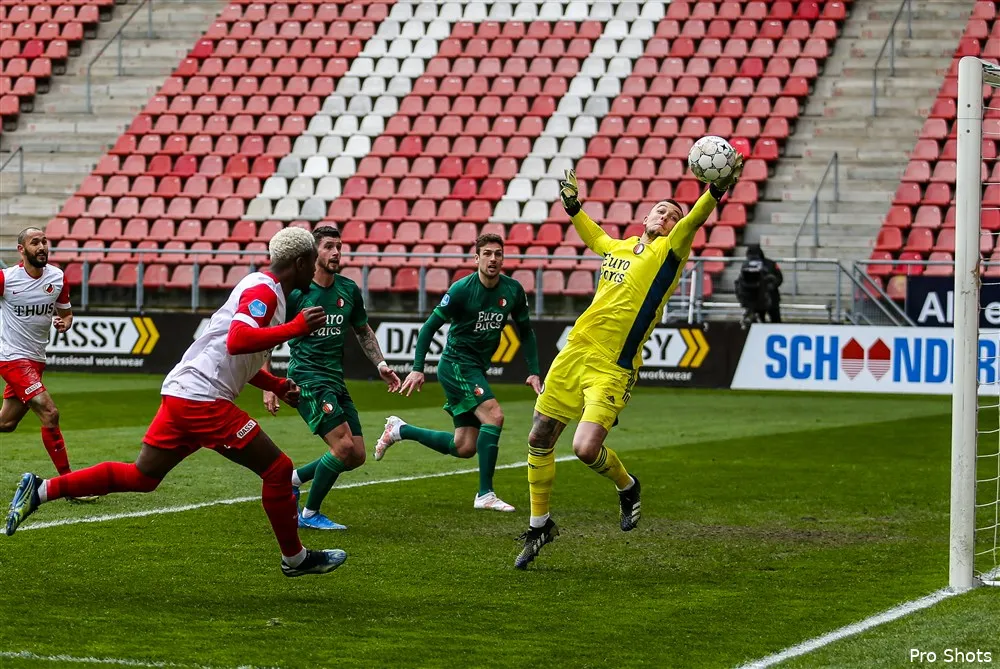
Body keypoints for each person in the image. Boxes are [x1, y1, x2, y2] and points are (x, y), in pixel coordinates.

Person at [5, 227, 347, 578]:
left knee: (142, 476)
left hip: (187, 392)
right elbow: (238, 340)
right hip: (203, 399)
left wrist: (274, 382)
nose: (316, 271)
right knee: (277, 471)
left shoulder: (262, 286)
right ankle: (295, 558)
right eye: (313, 263)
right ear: (302, 262)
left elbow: (230, 352)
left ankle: (41, 490)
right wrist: (295, 328)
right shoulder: (263, 291)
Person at [516, 160, 743, 569]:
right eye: (660, 210)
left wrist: (715, 191)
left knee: (584, 449)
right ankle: (539, 525)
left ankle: (628, 486)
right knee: (539, 436)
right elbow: (596, 237)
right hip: (575, 352)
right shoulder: (619, 247)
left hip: (613, 364)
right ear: (645, 216)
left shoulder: (670, 251)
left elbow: (694, 219)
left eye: (672, 214)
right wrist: (572, 207)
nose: (666, 216)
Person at [374, 233, 542, 513]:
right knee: (495, 415)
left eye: (498, 254)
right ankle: (485, 494)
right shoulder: (462, 289)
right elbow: (429, 327)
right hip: (456, 365)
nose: (493, 259)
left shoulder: (513, 290)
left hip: (475, 367)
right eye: (487, 254)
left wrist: (534, 371)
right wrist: (417, 369)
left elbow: (525, 332)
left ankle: (400, 430)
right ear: (476, 258)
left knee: (464, 446)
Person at [262, 225, 400, 531]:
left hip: (335, 380)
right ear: (314, 253)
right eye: (328, 247)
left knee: (357, 455)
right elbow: (270, 336)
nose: (336, 252)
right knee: (343, 449)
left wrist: (381, 365)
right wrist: (269, 383)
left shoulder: (348, 290)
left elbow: (363, 331)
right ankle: (309, 513)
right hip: (307, 380)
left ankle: (292, 480)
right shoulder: (297, 292)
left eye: (339, 246)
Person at [0, 227, 94, 503]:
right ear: (21, 250)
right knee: (49, 412)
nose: (42, 246)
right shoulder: (6, 279)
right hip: (11, 357)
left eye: (44, 241)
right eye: (34, 242)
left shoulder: (57, 276)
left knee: (6, 423)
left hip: (36, 359)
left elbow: (66, 312)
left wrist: (65, 322)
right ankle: (69, 485)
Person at [736, 244, 782, 325]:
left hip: (771, 297)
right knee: (757, 321)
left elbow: (779, 278)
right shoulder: (746, 266)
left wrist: (770, 286)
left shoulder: (770, 264)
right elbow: (742, 281)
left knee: (776, 320)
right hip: (754, 299)